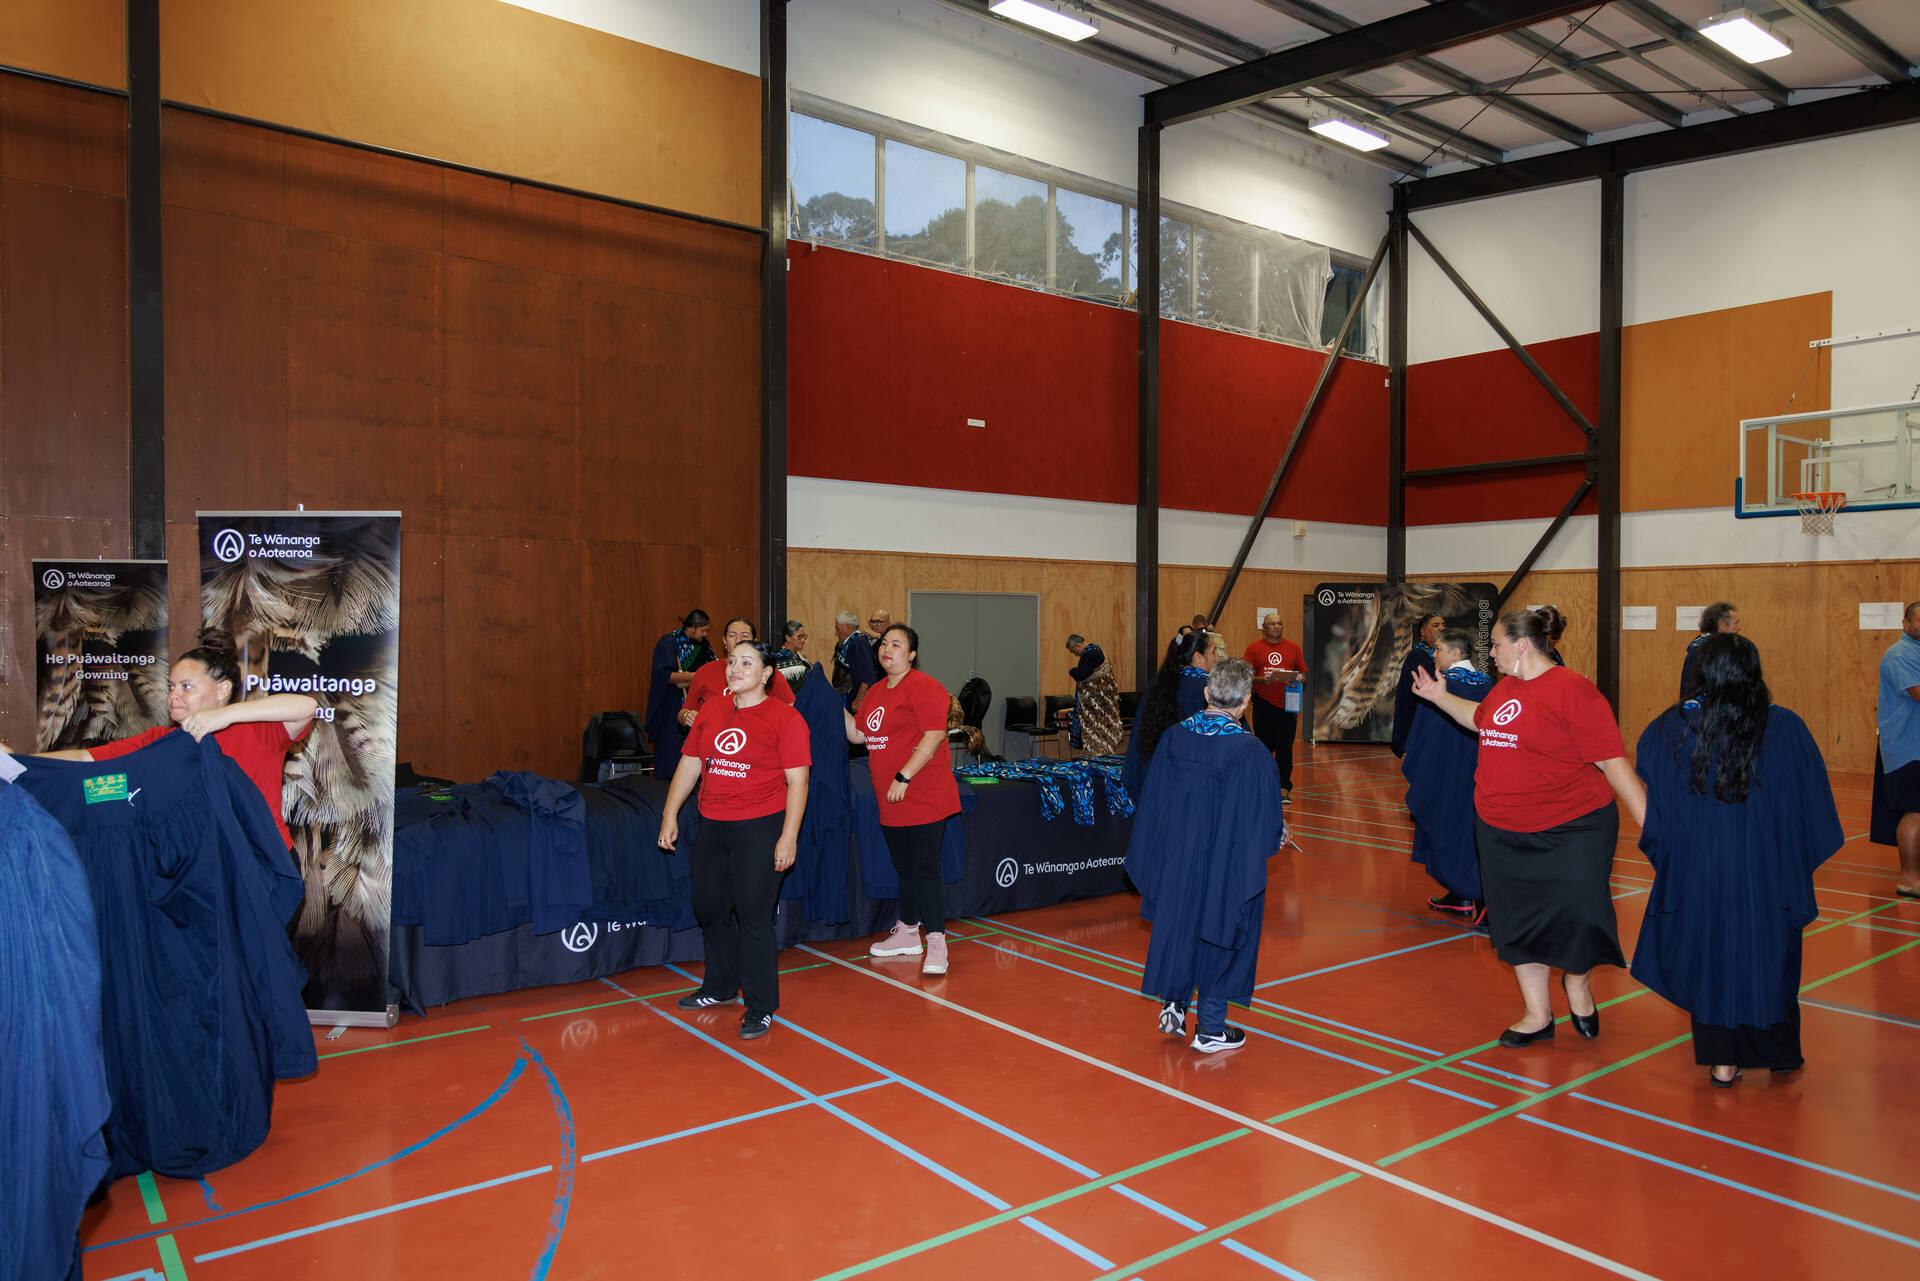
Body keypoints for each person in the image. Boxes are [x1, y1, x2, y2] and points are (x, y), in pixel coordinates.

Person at [1411, 605, 1646, 1048]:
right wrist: (1439, 697)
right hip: (1501, 829)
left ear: (1521, 645)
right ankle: (1537, 1014)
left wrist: (1653, 828)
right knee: (1517, 920)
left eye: (1497, 644)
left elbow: (1613, 764)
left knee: (1579, 917)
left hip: (1572, 827)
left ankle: (1577, 984)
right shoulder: (1504, 689)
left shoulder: (1574, 690)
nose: (1491, 652)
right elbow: (1481, 721)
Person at [1631, 634, 1842, 1087]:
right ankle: (1779, 1052)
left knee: (1712, 956)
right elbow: (1813, 809)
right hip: (1767, 872)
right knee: (1771, 955)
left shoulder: (1674, 728)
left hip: (1702, 871)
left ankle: (1723, 1061)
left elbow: (1657, 797)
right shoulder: (1785, 726)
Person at [5, 628, 318, 850]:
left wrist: (225, 716)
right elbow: (83, 758)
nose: (173, 695)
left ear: (223, 689)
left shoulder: (257, 730)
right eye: (171, 687)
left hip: (263, 865)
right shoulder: (160, 740)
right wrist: (13, 761)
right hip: (204, 872)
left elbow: (306, 706)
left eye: (186, 686)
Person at [1124, 659, 1286, 1052]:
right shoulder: (1250, 751)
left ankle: (1175, 1002)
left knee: (1181, 922)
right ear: (1245, 701)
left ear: (1207, 693)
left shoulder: (1174, 738)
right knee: (1221, 929)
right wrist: (1279, 833)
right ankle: (1211, 1027)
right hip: (1223, 862)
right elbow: (1263, 822)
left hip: (1178, 857)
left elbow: (1153, 802)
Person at [659, 639, 811, 1040]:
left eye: (746, 663)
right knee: (710, 909)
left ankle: (760, 1005)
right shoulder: (712, 710)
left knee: (753, 916)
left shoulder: (786, 718)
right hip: (713, 824)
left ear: (766, 674)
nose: (735, 669)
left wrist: (788, 836)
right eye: (731, 662)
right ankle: (720, 986)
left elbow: (798, 782)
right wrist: (670, 813)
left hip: (760, 827)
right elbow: (691, 763)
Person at [843, 624, 962, 976]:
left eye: (896, 644)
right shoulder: (876, 691)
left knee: (926, 868)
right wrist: (828, 702)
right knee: (905, 869)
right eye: (884, 643)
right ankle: (908, 932)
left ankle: (937, 941)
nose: (887, 649)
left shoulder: (925, 687)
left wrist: (904, 775)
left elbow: (934, 734)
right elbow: (859, 734)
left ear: (911, 654)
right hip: (891, 797)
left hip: (923, 793)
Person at [1402, 628, 1492, 922]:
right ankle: (1460, 894)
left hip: (1445, 772)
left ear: (1455, 652)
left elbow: (1423, 735)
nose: (1434, 654)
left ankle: (1480, 898)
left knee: (1446, 829)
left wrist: (1414, 763)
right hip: (1480, 772)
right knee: (1471, 831)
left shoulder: (1441, 686)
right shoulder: (1488, 683)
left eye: (1438, 649)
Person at [1122, 629, 1218, 797]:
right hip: (1181, 784)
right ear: (1198, 658)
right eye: (1213, 652)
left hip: (1147, 774)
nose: (1217, 657)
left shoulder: (1159, 682)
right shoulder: (1207, 688)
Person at [1872, 601, 1920, 899]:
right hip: (1909, 748)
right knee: (1915, 811)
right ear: (1906, 623)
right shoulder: (1900, 654)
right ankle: (1909, 879)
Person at [679, 619, 795, 731]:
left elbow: (791, 709)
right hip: (712, 737)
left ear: (754, 641)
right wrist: (687, 716)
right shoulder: (705, 672)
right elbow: (684, 712)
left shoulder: (765, 673)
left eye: (744, 636)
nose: (738, 640)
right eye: (732, 635)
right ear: (724, 640)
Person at [1243, 613, 1305, 800]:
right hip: (1264, 704)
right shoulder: (1254, 648)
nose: (1276, 626)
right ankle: (1261, 785)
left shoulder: (1294, 648)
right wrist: (1262, 680)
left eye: (1279, 623)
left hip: (1288, 706)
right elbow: (1246, 676)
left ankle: (1283, 787)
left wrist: (1297, 679)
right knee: (1263, 748)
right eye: (1272, 624)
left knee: (1285, 749)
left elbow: (1304, 675)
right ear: (1264, 628)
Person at [646, 610, 713, 778]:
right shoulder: (669, 643)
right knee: (670, 759)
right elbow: (663, 676)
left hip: (697, 706)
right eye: (703, 630)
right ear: (693, 627)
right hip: (671, 707)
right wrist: (693, 677)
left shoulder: (704, 645)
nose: (705, 634)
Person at [1391, 613, 1444, 759]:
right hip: (1417, 720)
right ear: (1423, 632)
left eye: (1443, 625)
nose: (1441, 628)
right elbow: (1432, 683)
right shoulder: (1419, 654)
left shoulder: (1439, 653)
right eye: (1436, 625)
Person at [1064, 634, 1123, 757]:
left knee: (1096, 732)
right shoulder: (1098, 650)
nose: (1075, 655)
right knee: (1105, 731)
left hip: (1095, 705)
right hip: (1105, 702)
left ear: (1077, 646)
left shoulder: (1089, 654)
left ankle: (1097, 757)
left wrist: (1073, 671)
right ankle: (1104, 755)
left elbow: (1082, 674)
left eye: (1074, 651)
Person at [1679, 601, 1740, 700]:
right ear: (1722, 625)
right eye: (1736, 623)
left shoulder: (1710, 647)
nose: (1739, 627)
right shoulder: (1704, 651)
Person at [831, 610, 880, 711]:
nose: (836, 632)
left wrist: (859, 699)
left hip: (854, 698)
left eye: (838, 628)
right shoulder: (848, 643)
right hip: (846, 695)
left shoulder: (859, 642)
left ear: (849, 627)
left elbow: (868, 674)